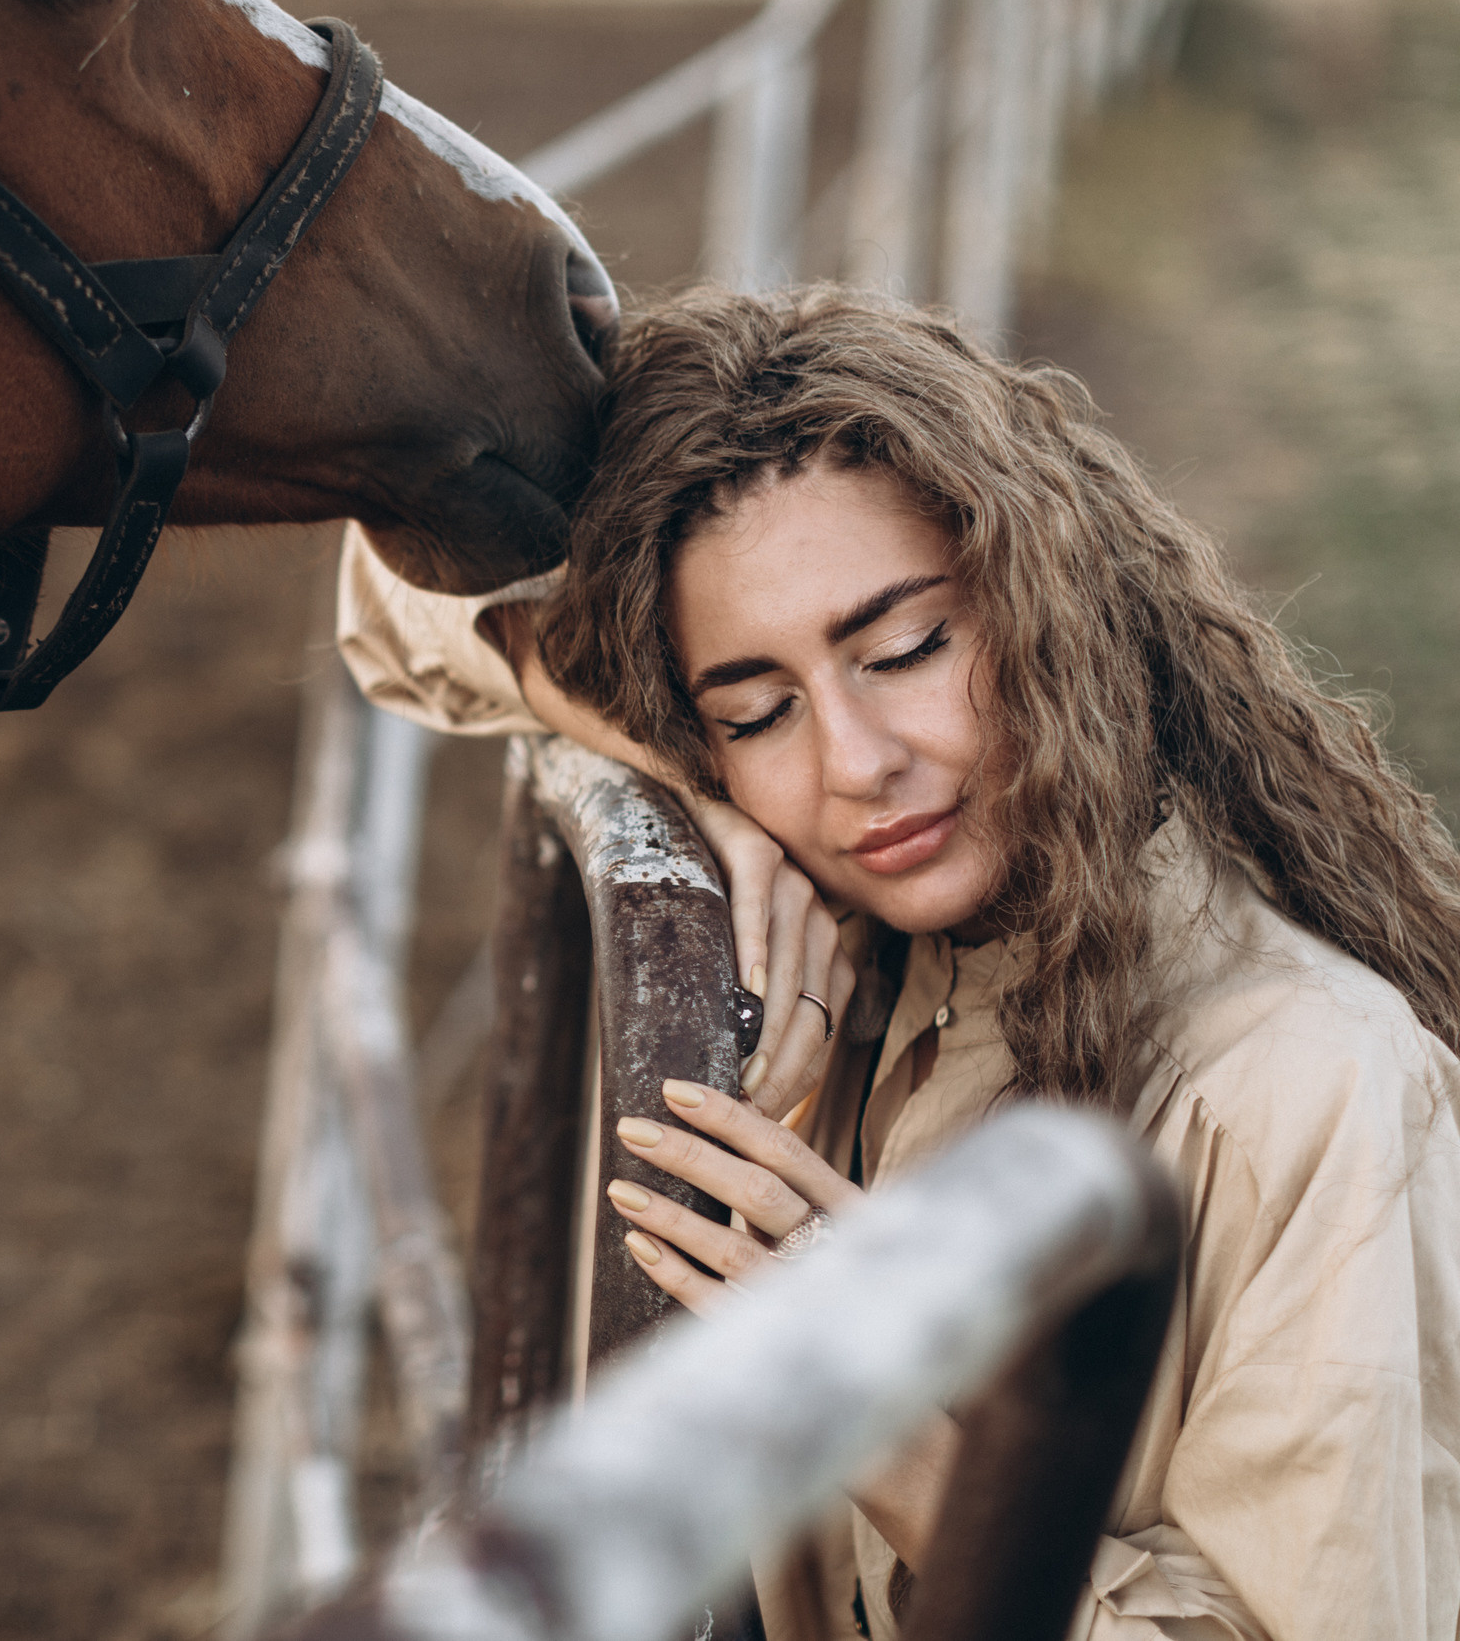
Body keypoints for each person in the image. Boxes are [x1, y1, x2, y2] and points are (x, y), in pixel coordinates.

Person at [337, 285, 1460, 1641]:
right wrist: (684, 788)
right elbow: (393, 599)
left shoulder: (1309, 1085)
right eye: (757, 710)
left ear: (1052, 600)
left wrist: (846, 1379)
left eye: (907, 648)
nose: (857, 764)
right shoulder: (872, 928)